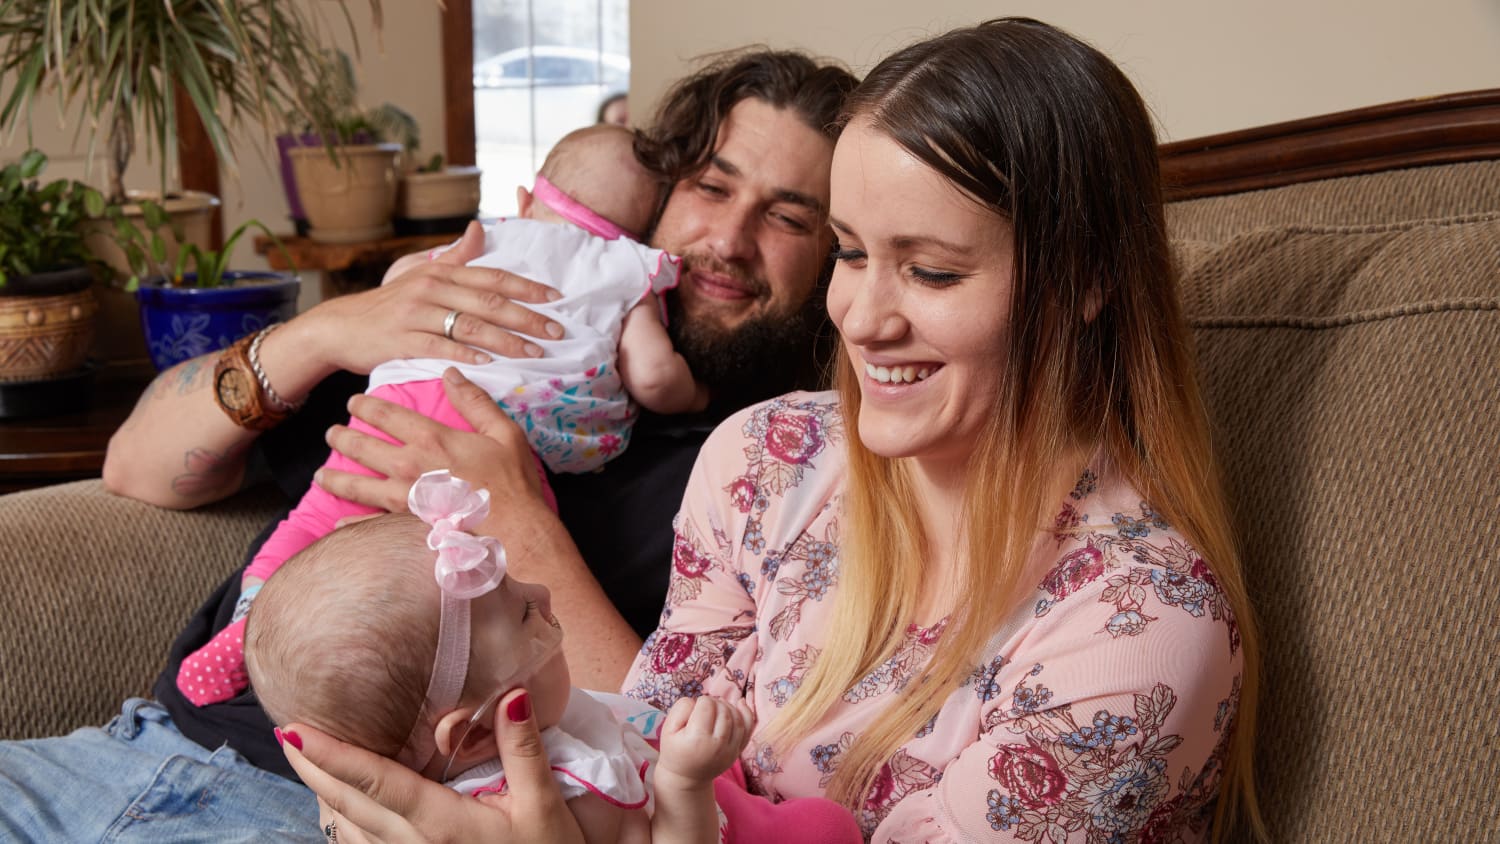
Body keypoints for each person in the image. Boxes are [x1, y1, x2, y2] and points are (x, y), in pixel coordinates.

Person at [285, 17, 1266, 843]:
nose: (864, 317)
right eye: (849, 252)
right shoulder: (767, 459)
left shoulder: (1138, 629)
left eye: (931, 271)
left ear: (1085, 282)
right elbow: (642, 745)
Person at [0, 49, 857, 842]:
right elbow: (137, 467)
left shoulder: (779, 463)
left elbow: (682, 746)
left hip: (339, 815)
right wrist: (324, 333)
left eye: (788, 215)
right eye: (712, 186)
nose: (729, 240)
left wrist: (516, 515)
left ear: (834, 256)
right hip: (129, 747)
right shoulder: (489, 309)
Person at [178, 123, 707, 708]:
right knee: (468, 573)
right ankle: (338, 662)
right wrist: (696, 397)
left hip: (402, 400)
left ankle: (250, 625)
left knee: (313, 522)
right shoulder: (630, 270)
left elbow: (401, 280)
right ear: (645, 230)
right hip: (498, 442)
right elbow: (655, 376)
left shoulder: (484, 239)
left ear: (527, 199)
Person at [246, 471, 756, 844]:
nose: (544, 592)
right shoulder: (574, 801)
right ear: (483, 732)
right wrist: (684, 782)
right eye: (525, 613)